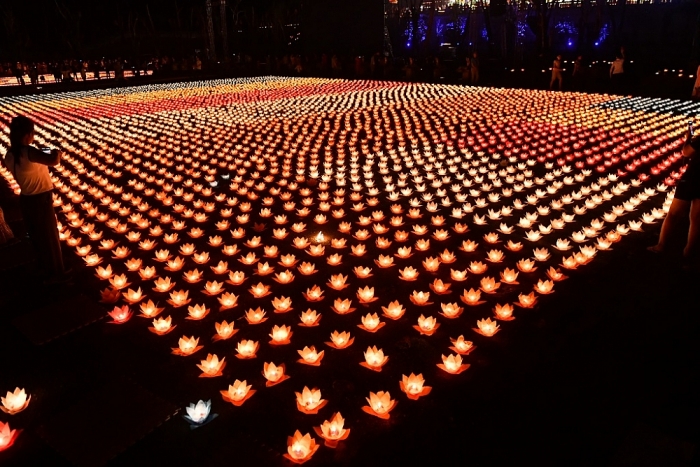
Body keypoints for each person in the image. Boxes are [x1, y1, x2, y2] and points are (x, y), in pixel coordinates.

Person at [1, 116, 69, 283]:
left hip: (26, 199)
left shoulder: (9, 155)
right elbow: (54, 161)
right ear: (28, 134)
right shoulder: (29, 151)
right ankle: (57, 274)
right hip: (41, 200)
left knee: (37, 237)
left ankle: (43, 268)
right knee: (50, 238)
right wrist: (56, 153)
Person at [648, 126, 700, 268]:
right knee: (697, 218)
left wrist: (688, 138)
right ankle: (689, 251)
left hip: (693, 179)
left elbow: (687, 152)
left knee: (673, 213)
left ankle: (661, 245)